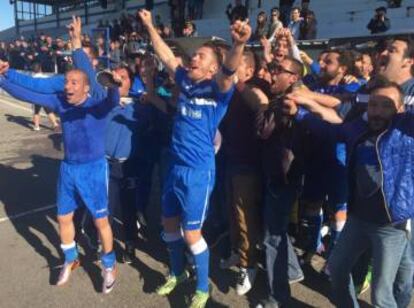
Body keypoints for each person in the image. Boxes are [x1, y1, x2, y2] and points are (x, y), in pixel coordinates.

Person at [138, 8, 251, 308]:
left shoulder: (219, 92)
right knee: (169, 227)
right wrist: (150, 26)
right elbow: (165, 54)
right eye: (193, 55)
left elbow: (229, 75)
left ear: (212, 68)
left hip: (198, 172)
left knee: (191, 234)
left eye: (200, 56)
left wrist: (238, 45)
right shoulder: (184, 81)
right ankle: (178, 272)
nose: (193, 58)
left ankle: (202, 288)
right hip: (174, 167)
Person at [288, 77, 414, 308]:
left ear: (400, 109)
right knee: (336, 270)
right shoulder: (359, 129)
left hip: (390, 226)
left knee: (382, 294)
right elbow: (331, 131)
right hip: (357, 219)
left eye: (387, 105)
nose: (378, 111)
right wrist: (300, 113)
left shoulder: (406, 132)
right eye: (374, 104)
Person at [0, 67, 120, 294]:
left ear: (86, 88)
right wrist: (2, 80)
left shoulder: (97, 106)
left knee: (100, 221)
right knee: (63, 217)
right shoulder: (60, 102)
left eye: (74, 83)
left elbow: (112, 99)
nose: (68, 86)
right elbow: (28, 94)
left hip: (93, 170)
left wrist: (113, 83)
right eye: (66, 82)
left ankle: (108, 264)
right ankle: (71, 258)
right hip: (68, 169)